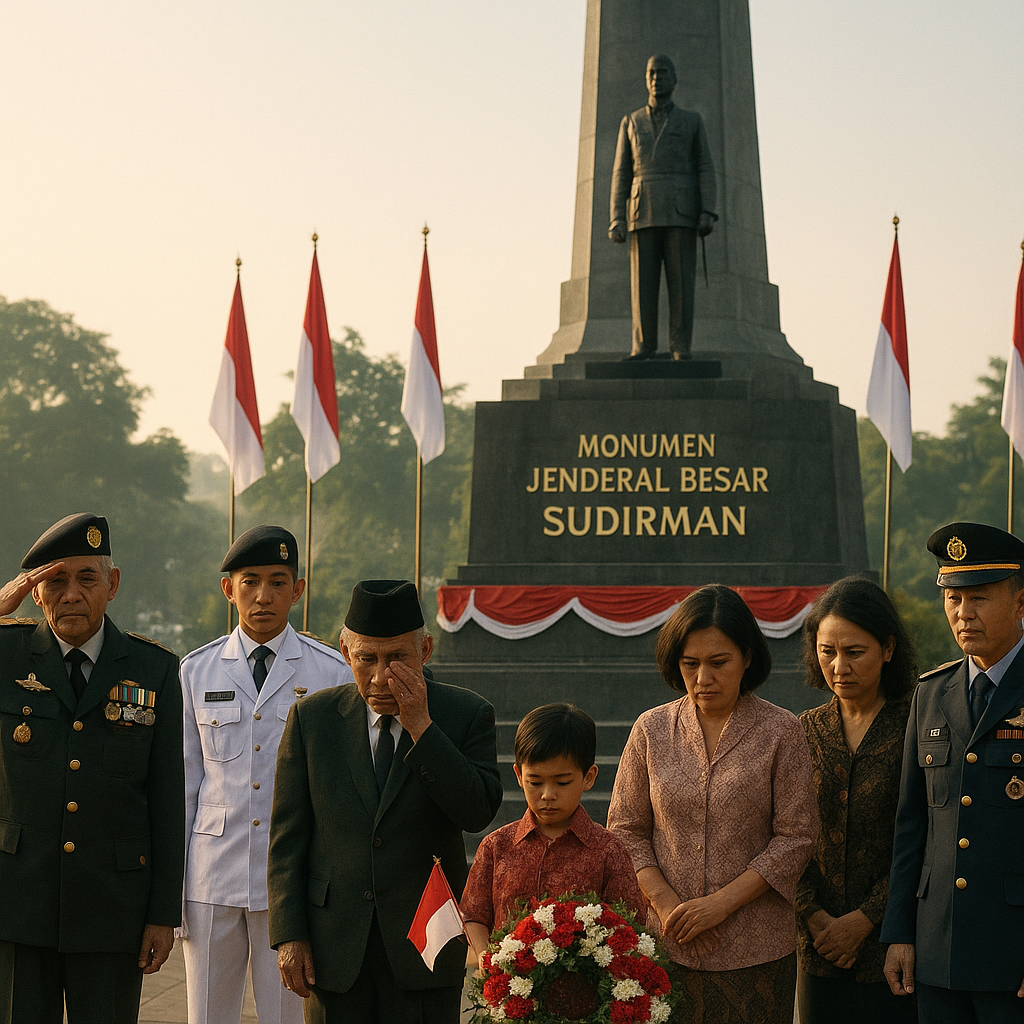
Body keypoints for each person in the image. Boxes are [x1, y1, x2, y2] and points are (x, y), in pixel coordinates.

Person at [267, 579, 502, 1024]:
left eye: (398, 658)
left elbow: (476, 811)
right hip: (333, 950)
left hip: (426, 947)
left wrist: (422, 728)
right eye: (366, 658)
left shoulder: (467, 714)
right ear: (344, 650)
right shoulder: (312, 720)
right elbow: (287, 841)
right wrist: (289, 936)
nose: (380, 676)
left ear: (426, 650)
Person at [0, 512, 184, 1023]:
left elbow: (167, 800)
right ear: (36, 592)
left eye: (87, 578)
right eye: (55, 581)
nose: (71, 595)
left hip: (112, 908)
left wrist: (163, 915)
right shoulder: (6, 654)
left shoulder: (155, 670)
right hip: (18, 902)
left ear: (113, 584)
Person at [607, 583, 817, 1023]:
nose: (704, 678)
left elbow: (796, 838)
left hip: (756, 948)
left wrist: (719, 905)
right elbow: (625, 830)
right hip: (667, 945)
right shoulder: (651, 730)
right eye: (691, 664)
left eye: (718, 663)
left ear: (747, 657)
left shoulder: (781, 732)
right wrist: (668, 908)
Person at [179, 525, 354, 1024]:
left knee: (286, 1017)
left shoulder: (330, 672)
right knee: (207, 1016)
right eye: (250, 581)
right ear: (228, 588)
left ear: (298, 590)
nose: (263, 596)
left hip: (292, 883)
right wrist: (171, 899)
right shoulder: (197, 671)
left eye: (278, 582)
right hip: (212, 874)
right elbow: (185, 786)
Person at [882, 522, 1024, 1023]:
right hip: (936, 948)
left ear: (1021, 603)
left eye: (979, 599)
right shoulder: (931, 694)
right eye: (953, 600)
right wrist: (899, 932)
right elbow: (911, 828)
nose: (963, 614)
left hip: (1013, 954)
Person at [796, 576, 918, 1024]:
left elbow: (925, 838)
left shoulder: (919, 724)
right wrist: (812, 915)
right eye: (828, 651)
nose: (839, 666)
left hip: (893, 947)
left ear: (887, 649)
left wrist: (865, 919)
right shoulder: (804, 730)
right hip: (818, 947)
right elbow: (786, 835)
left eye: (854, 652)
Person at [461, 703, 644, 959]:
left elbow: (630, 925)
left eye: (562, 782)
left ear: (589, 777)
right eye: (535, 782)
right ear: (518, 775)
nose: (548, 795)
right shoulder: (496, 846)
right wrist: (484, 956)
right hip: (510, 990)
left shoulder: (607, 849)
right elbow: (474, 916)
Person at [609, 53, 717, 361]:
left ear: (674, 79)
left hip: (681, 210)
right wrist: (616, 216)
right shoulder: (631, 121)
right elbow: (621, 172)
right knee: (642, 286)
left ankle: (680, 346)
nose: (657, 77)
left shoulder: (691, 120)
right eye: (651, 73)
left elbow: (705, 166)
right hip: (642, 211)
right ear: (646, 79)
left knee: (681, 285)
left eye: (663, 72)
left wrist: (707, 209)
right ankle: (643, 345)